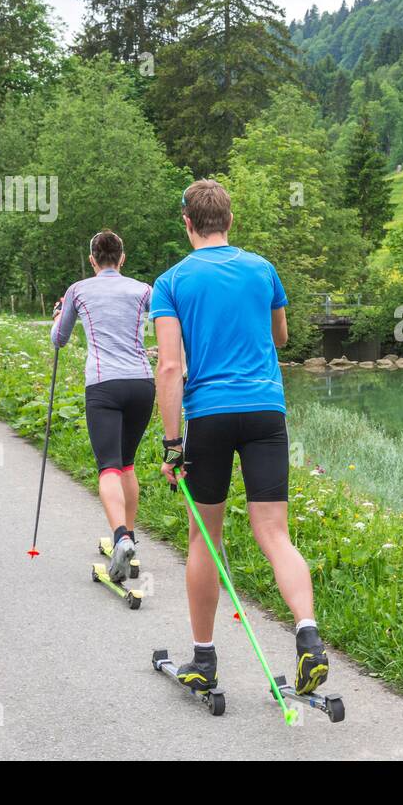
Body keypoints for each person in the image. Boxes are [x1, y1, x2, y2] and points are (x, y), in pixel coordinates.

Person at [152, 180, 328, 696]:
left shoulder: (172, 282)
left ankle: (204, 660)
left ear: (187, 223)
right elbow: (281, 337)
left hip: (209, 415)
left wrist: (171, 443)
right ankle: (308, 635)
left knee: (205, 536)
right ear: (230, 221)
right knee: (275, 533)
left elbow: (168, 367)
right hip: (266, 413)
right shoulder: (263, 269)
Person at [50, 230, 155, 583]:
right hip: (142, 383)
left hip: (104, 384)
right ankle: (131, 538)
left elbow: (60, 339)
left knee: (108, 466)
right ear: (122, 258)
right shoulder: (143, 290)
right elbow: (166, 326)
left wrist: (57, 318)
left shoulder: (78, 290)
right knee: (127, 463)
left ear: (93, 259)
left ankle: (121, 536)